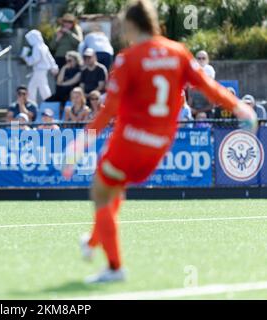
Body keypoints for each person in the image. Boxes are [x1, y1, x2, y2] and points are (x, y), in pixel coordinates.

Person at [62, 0, 257, 284]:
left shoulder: (128, 59)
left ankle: (114, 267)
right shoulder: (177, 52)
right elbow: (207, 85)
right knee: (113, 190)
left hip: (129, 142)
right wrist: (239, 107)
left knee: (101, 191)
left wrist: (80, 144)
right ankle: (92, 242)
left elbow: (108, 111)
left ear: (130, 25)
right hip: (159, 147)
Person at [21, 29, 59, 103]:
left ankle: (49, 102)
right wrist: (53, 66)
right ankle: (32, 102)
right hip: (40, 70)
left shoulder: (37, 47)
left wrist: (25, 57)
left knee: (42, 87)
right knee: (32, 87)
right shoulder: (44, 46)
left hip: (40, 69)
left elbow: (35, 60)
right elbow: (50, 58)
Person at [187, 50, 216, 116]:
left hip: (207, 112)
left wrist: (197, 111)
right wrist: (190, 110)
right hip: (194, 111)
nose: (201, 60)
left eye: (203, 58)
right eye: (199, 58)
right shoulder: (191, 72)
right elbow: (190, 100)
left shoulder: (209, 70)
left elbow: (211, 105)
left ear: (207, 60)